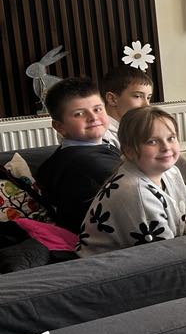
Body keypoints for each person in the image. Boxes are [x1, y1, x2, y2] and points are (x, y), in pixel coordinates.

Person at [77, 106, 186, 255]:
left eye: (171, 138)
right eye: (152, 142)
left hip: (161, 252)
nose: (166, 147)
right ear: (129, 151)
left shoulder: (171, 172)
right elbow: (164, 256)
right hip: (115, 265)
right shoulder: (137, 193)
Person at [36, 77, 122, 233]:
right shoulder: (87, 164)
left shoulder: (87, 150)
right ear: (60, 126)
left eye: (98, 109)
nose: (93, 117)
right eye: (79, 114)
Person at [100, 65, 154, 147]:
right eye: (137, 96)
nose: (146, 105)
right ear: (112, 99)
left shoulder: (136, 128)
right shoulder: (103, 137)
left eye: (148, 98)